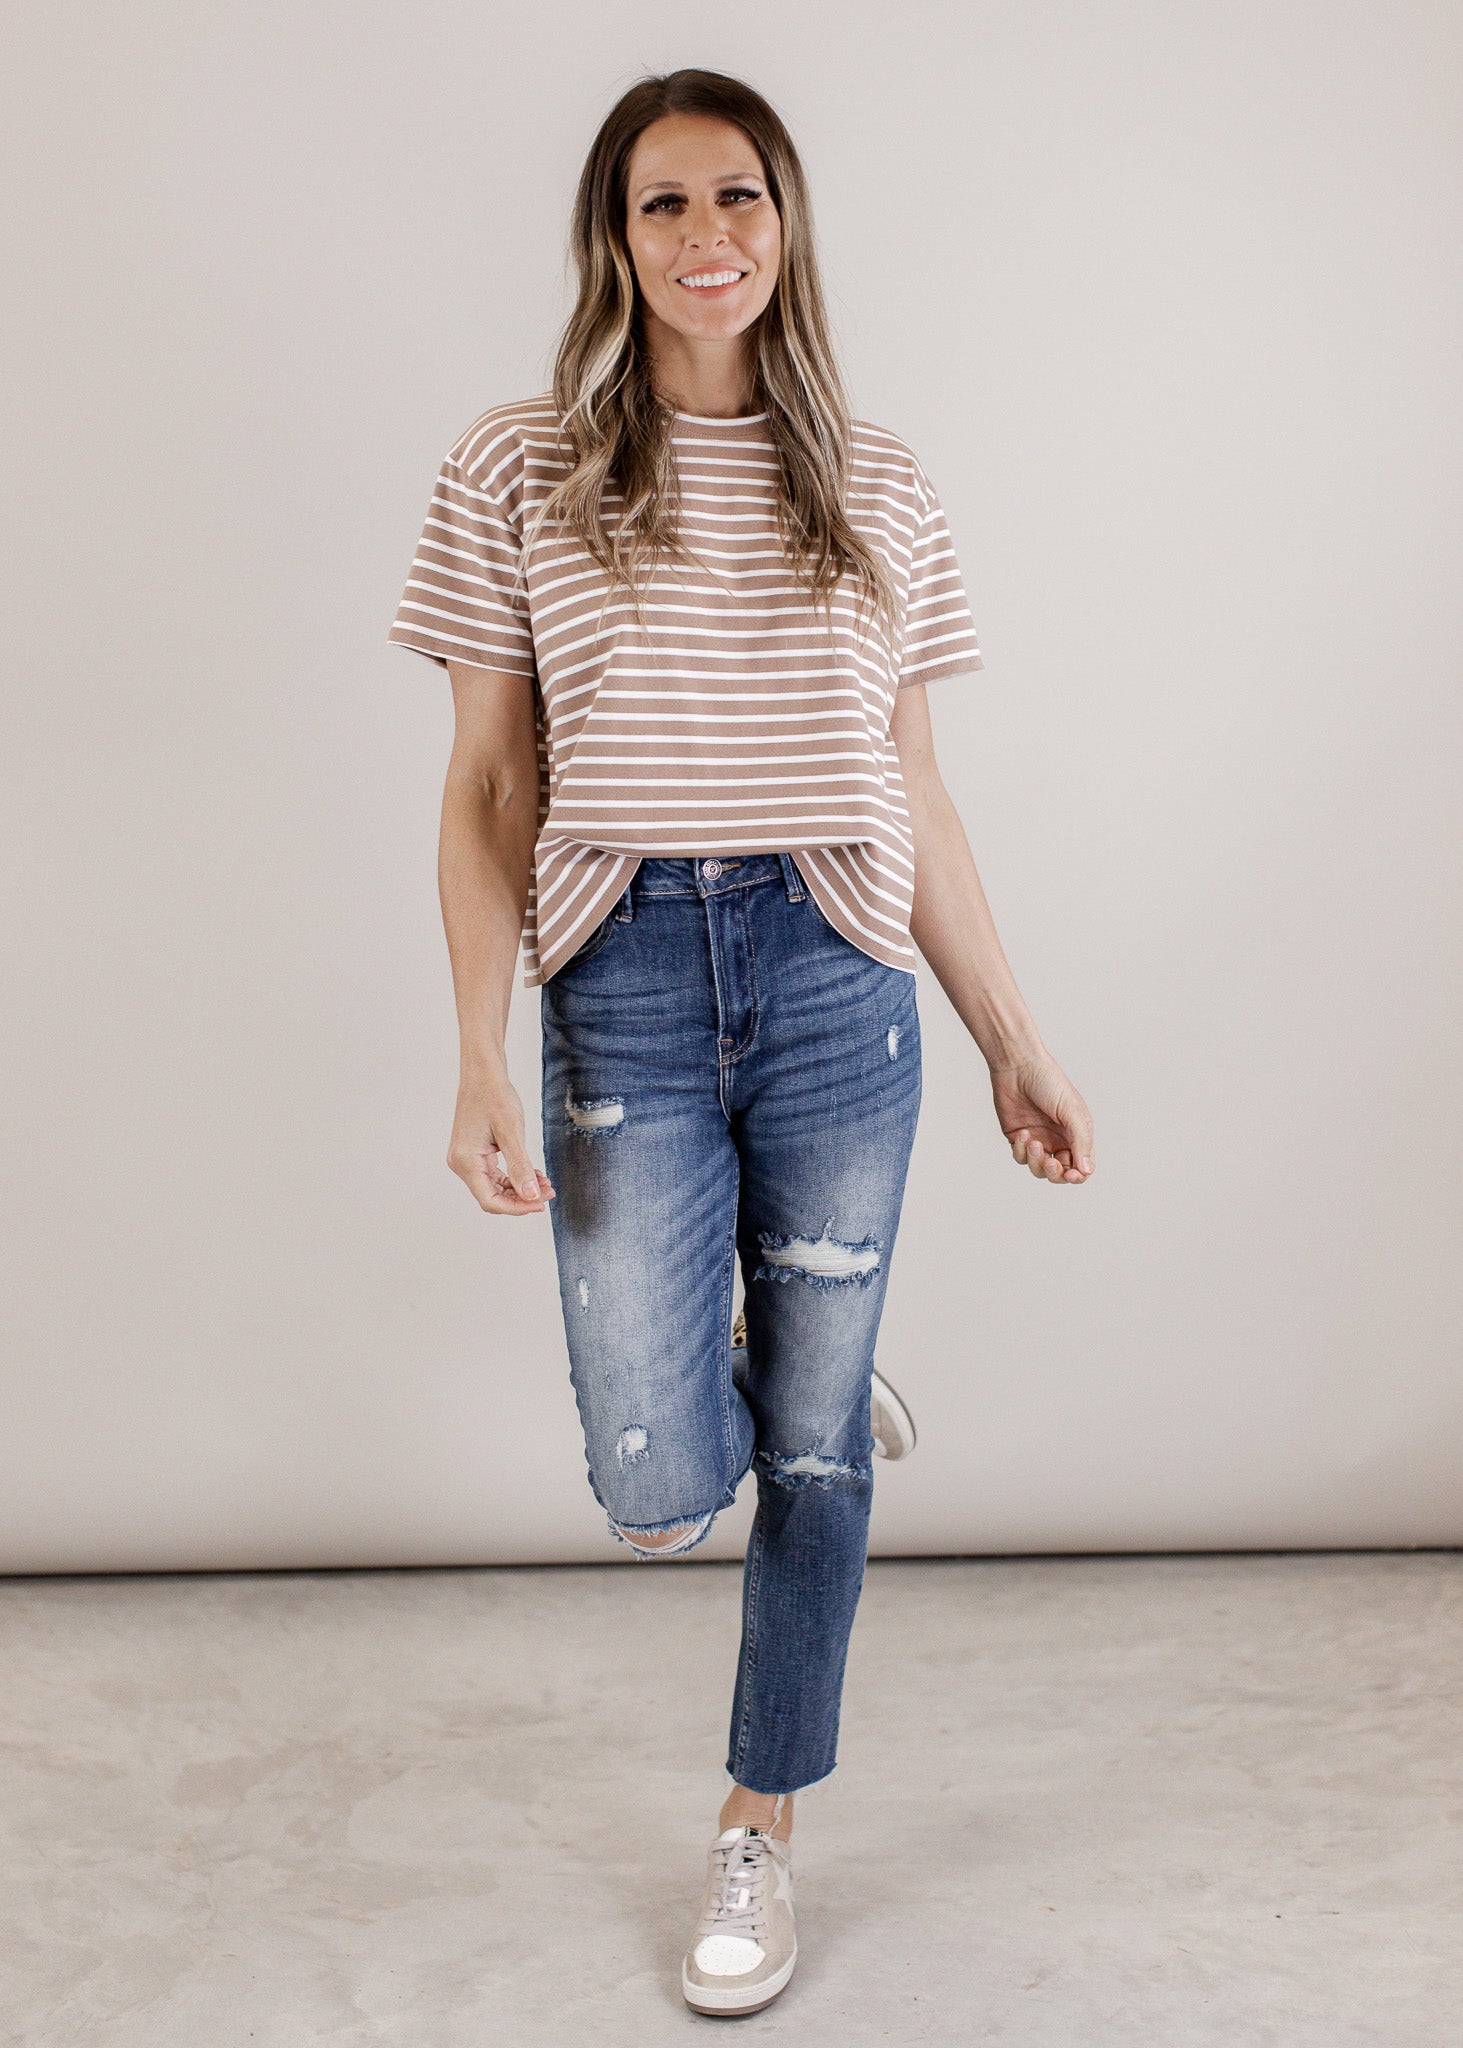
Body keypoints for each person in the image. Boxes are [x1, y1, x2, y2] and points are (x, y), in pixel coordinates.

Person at [387, 66, 1095, 2019]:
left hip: (837, 978)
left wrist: (1015, 1038)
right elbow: (488, 782)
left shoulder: (879, 481)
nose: (707, 237)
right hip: (620, 971)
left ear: (787, 224)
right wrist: (475, 1051)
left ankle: (760, 1821)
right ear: (613, 241)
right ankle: (799, 1357)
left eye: (740, 198)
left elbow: (917, 793)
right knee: (652, 1483)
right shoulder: (519, 466)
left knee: (813, 1464)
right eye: (664, 204)